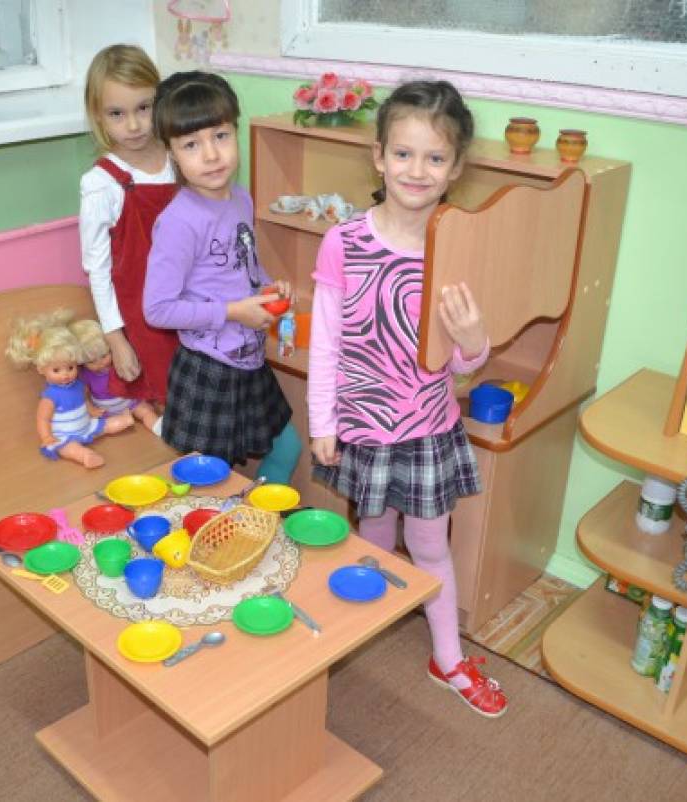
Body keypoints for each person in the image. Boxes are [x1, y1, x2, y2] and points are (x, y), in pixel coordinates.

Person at [308, 81, 508, 717]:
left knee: (428, 547)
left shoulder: (459, 253)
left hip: (425, 430)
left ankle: (447, 657)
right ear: (378, 157)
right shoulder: (344, 242)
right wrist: (322, 422)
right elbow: (325, 344)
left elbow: (462, 365)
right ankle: (363, 631)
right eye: (403, 153)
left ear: (456, 168)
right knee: (370, 535)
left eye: (435, 157)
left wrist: (475, 343)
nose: (417, 170)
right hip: (363, 428)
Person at [142, 71, 301, 483]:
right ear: (172, 153)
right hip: (208, 370)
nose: (211, 155)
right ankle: (215, 524)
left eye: (221, 136)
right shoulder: (178, 221)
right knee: (210, 480)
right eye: (191, 144)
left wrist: (269, 288)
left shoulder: (240, 198)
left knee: (287, 447)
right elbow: (157, 309)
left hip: (248, 360)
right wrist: (233, 312)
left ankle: (257, 516)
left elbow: (243, 267)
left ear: (236, 132)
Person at [79, 44, 178, 424]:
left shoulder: (179, 158)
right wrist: (116, 339)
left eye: (144, 108)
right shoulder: (101, 184)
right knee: (171, 408)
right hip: (146, 321)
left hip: (194, 307)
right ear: (97, 116)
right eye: (117, 113)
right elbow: (98, 270)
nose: (134, 125)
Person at [5, 308, 135, 469]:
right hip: (64, 436)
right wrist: (46, 437)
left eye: (70, 367)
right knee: (67, 448)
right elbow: (43, 419)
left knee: (107, 425)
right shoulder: (50, 396)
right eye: (56, 370)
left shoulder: (78, 385)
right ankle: (86, 456)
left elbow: (83, 401)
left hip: (86, 426)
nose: (65, 374)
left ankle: (125, 419)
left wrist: (92, 410)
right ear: (41, 370)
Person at [69, 317, 162, 431]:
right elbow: (84, 395)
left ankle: (160, 429)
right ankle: (124, 420)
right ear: (81, 363)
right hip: (105, 411)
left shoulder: (118, 362)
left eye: (104, 355)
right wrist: (90, 408)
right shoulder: (85, 375)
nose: (100, 363)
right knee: (98, 425)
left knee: (146, 411)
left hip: (131, 403)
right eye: (91, 361)